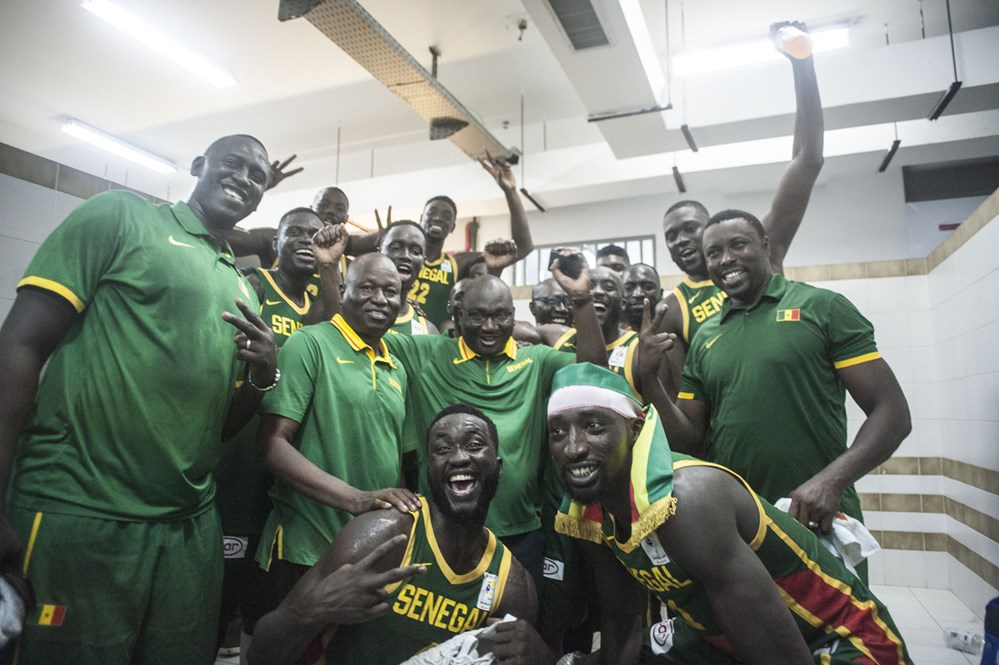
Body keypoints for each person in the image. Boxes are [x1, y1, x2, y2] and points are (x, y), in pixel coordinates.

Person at [0, 134, 280, 665]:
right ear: (198, 164)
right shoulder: (122, 216)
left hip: (188, 526)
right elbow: (20, 343)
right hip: (81, 510)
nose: (245, 178)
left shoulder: (243, 287)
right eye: (233, 164)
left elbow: (217, 425)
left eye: (258, 176)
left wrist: (265, 375)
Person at [547, 363, 913, 664]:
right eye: (557, 433)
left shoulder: (687, 500)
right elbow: (621, 620)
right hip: (726, 638)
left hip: (843, 640)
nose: (573, 448)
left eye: (594, 426)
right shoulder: (588, 508)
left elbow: (780, 656)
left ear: (635, 429)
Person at [651, 210, 911, 578]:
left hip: (817, 514)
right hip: (739, 522)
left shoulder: (822, 307)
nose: (726, 259)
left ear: (766, 246)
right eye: (714, 253)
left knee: (837, 634)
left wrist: (831, 482)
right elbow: (688, 436)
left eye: (738, 245)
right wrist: (650, 379)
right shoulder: (706, 336)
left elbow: (893, 413)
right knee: (756, 634)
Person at [249, 405, 552, 665]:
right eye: (443, 449)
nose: (459, 458)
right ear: (428, 470)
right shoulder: (384, 535)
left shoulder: (512, 583)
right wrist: (314, 609)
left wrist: (545, 659)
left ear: (498, 468)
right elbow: (261, 652)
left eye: (474, 445)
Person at [381, 255, 606, 591]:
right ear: (458, 316)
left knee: (519, 628)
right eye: (478, 316)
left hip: (521, 531)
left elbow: (592, 371)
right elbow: (357, 331)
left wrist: (582, 297)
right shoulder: (426, 353)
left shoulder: (535, 361)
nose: (489, 327)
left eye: (500, 316)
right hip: (441, 530)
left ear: (513, 318)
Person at [252, 252, 421, 634]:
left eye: (391, 291)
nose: (381, 299)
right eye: (368, 287)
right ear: (343, 292)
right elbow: (270, 446)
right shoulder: (309, 343)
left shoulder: (396, 364)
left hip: (366, 553)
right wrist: (355, 498)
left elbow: (400, 461)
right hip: (303, 548)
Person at [660, 21, 825, 392]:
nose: (682, 240)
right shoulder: (672, 308)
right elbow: (690, 397)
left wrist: (802, 62)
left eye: (691, 229)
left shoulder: (764, 248)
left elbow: (808, 158)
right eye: (671, 236)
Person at [213, 208, 339, 656]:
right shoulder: (255, 286)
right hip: (239, 451)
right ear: (276, 240)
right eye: (295, 232)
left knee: (260, 595)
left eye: (314, 233)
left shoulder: (320, 302)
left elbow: (335, 334)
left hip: (285, 461)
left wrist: (330, 267)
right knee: (219, 590)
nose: (306, 239)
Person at [410, 154, 535, 327]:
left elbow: (523, 247)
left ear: (453, 226)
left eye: (447, 216)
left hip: (433, 343)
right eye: (432, 212)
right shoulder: (400, 256)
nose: (438, 218)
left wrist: (510, 191)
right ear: (421, 218)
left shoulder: (457, 264)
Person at [379, 220, 439, 335]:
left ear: (423, 263)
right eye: (396, 248)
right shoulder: (352, 313)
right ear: (380, 252)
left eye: (415, 252)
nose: (406, 256)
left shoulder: (427, 331)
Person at [622, 263, 662, 331]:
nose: (638, 294)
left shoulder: (675, 329)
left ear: (661, 293)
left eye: (648, 287)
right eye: (628, 288)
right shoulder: (608, 335)